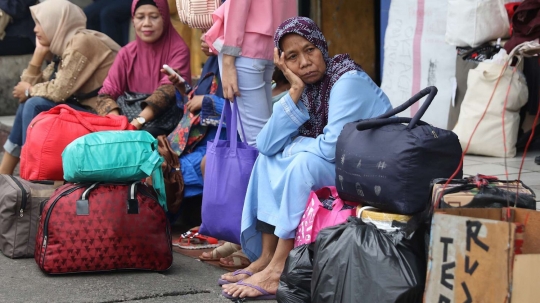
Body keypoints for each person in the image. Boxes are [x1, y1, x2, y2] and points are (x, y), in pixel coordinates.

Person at [220, 17, 393, 300]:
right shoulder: (307, 89)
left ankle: (279, 266)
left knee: (303, 164)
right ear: (282, 63)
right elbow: (265, 144)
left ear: (322, 46)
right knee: (268, 160)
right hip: (342, 163)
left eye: (309, 49)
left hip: (369, 167)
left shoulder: (346, 79)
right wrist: (295, 89)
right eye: (292, 57)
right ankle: (265, 257)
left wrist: (291, 147)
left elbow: (329, 149)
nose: (304, 62)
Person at [0, 0, 120, 175]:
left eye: (40, 23)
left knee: (34, 103)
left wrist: (29, 90)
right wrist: (38, 55)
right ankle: (5, 174)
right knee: (28, 103)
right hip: (83, 108)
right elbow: (24, 92)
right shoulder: (65, 45)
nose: (35, 29)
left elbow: (58, 91)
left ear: (56, 21)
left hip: (102, 114)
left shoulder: (82, 42)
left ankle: (31, 171)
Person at [204, 0, 297, 147]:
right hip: (269, 41)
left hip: (242, 47)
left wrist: (228, 60)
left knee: (259, 143)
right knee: (267, 137)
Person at [96, 0, 191, 137]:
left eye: (154, 16)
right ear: (133, 20)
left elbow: (167, 92)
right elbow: (106, 93)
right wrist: (117, 122)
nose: (146, 23)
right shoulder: (126, 53)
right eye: (140, 17)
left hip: (162, 124)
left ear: (164, 18)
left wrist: (137, 122)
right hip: (126, 122)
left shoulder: (178, 50)